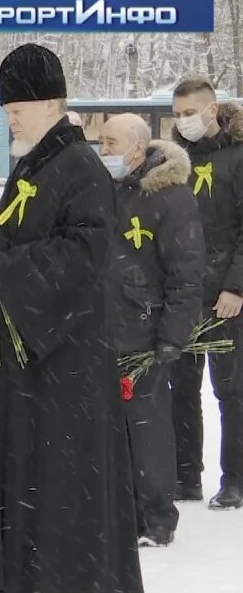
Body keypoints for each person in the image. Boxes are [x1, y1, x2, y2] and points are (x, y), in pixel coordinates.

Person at [0, 43, 145, 593]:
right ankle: (14, 572)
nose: (9, 118)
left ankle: (65, 578)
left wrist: (8, 270)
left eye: (18, 108)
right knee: (25, 459)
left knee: (59, 468)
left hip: (63, 353)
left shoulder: (79, 165)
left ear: (52, 103)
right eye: (6, 108)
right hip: (27, 351)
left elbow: (87, 251)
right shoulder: (34, 159)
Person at [100, 113, 203, 546]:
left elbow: (186, 272)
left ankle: (157, 517)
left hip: (146, 330)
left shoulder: (171, 198)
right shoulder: (108, 190)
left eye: (110, 142)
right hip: (105, 327)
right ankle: (122, 511)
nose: (102, 150)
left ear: (137, 149)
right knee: (112, 428)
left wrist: (171, 337)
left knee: (147, 426)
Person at [169, 78, 243, 510]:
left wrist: (236, 285)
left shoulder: (237, 157)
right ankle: (185, 477)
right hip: (183, 291)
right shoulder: (174, 161)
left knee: (231, 391)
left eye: (190, 112)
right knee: (181, 387)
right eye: (177, 114)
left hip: (225, 295)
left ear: (212, 109)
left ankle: (234, 478)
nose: (184, 121)